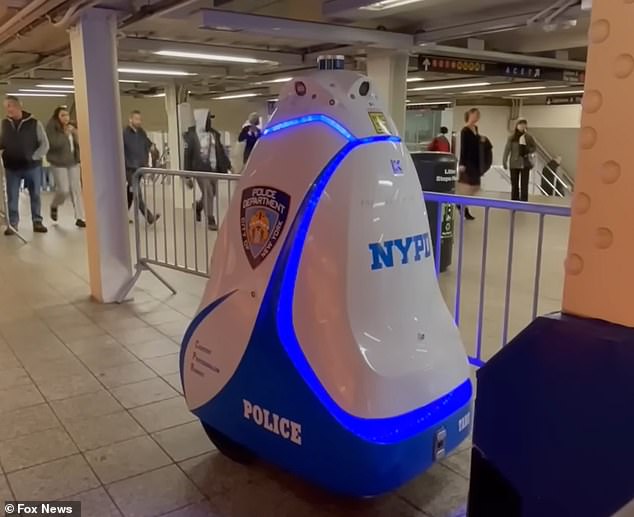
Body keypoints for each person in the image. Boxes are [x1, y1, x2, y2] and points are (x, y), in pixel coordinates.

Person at [0, 96, 49, 235]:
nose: (8, 109)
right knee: (12, 196)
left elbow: (44, 144)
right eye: (6, 106)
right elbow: (1, 142)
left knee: (35, 195)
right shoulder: (4, 124)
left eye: (10, 105)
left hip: (32, 167)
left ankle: (37, 221)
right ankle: (13, 223)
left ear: (18, 106)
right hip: (11, 167)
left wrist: (34, 157)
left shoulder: (34, 123)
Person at [183, 109, 232, 231]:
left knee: (212, 193)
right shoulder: (191, 136)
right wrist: (187, 176)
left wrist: (229, 166)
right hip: (200, 169)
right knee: (208, 192)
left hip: (213, 168)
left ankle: (198, 206)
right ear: (201, 119)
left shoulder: (214, 134)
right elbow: (187, 156)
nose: (210, 121)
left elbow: (220, 151)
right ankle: (210, 219)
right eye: (208, 118)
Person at [46, 106, 85, 228]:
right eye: (62, 115)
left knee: (77, 190)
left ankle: (80, 217)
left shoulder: (72, 127)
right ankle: (55, 205)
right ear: (57, 117)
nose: (65, 118)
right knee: (63, 190)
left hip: (73, 162)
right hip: (58, 163)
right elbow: (54, 145)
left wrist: (76, 134)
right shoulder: (52, 128)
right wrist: (65, 134)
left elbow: (79, 144)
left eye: (67, 115)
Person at [123, 110, 159, 224]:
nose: (139, 121)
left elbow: (147, 144)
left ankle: (122, 215)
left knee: (131, 192)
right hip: (130, 169)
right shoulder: (124, 134)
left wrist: (153, 148)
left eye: (140, 119)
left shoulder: (141, 132)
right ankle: (149, 217)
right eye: (136, 119)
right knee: (137, 193)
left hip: (140, 168)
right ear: (130, 119)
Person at [458, 108, 483, 221]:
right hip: (468, 161)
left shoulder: (475, 129)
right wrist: (462, 163)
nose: (477, 117)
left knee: (475, 186)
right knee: (470, 185)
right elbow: (464, 147)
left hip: (475, 160)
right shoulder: (465, 130)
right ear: (470, 115)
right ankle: (463, 206)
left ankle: (462, 204)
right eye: (476, 115)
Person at [503, 119, 536, 202]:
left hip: (525, 163)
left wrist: (527, 149)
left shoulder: (528, 137)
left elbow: (534, 148)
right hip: (514, 163)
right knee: (514, 184)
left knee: (524, 184)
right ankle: (514, 200)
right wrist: (504, 161)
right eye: (520, 124)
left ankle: (524, 201)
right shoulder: (512, 137)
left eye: (524, 124)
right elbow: (507, 149)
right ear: (517, 125)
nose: (522, 126)